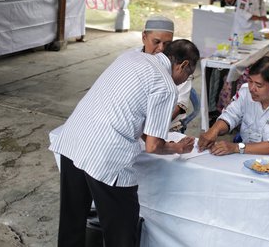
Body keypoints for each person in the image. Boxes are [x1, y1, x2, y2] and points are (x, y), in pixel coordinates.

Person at [50, 39, 200, 247]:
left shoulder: (131, 56)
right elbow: (153, 146)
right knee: (122, 229)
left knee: (72, 220)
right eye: (188, 75)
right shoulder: (166, 86)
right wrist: (174, 148)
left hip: (73, 138)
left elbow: (130, 115)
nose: (184, 81)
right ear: (183, 65)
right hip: (105, 154)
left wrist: (169, 143)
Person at [199, 57, 269, 156]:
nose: (252, 88)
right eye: (250, 81)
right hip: (247, 157)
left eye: (259, 85)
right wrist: (214, 130)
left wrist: (236, 147)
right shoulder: (245, 92)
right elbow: (231, 115)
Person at [140, 16, 192, 132]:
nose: (161, 48)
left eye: (167, 44)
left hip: (166, 129)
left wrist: (150, 129)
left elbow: (178, 107)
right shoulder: (131, 59)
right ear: (144, 37)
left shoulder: (180, 65)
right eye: (156, 42)